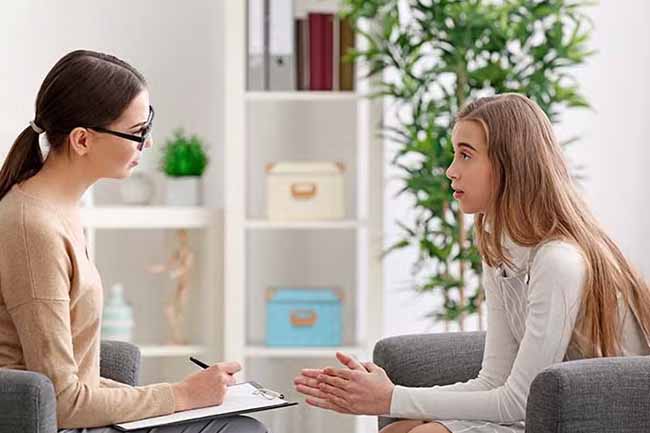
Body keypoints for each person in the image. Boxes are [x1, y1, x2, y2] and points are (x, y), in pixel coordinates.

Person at [294, 93, 650, 433]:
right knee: (399, 429)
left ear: (511, 163)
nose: (451, 171)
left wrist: (391, 397)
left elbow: (519, 400)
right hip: (543, 409)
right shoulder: (500, 248)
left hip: (598, 416)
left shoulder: (558, 260)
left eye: (466, 155)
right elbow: (493, 380)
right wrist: (387, 402)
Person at [0, 50, 266, 433]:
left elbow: (75, 382)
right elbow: (61, 402)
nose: (149, 143)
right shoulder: (33, 228)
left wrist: (182, 397)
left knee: (240, 425)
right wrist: (182, 397)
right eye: (138, 132)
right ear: (82, 140)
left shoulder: (59, 209)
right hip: (54, 423)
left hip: (69, 416)